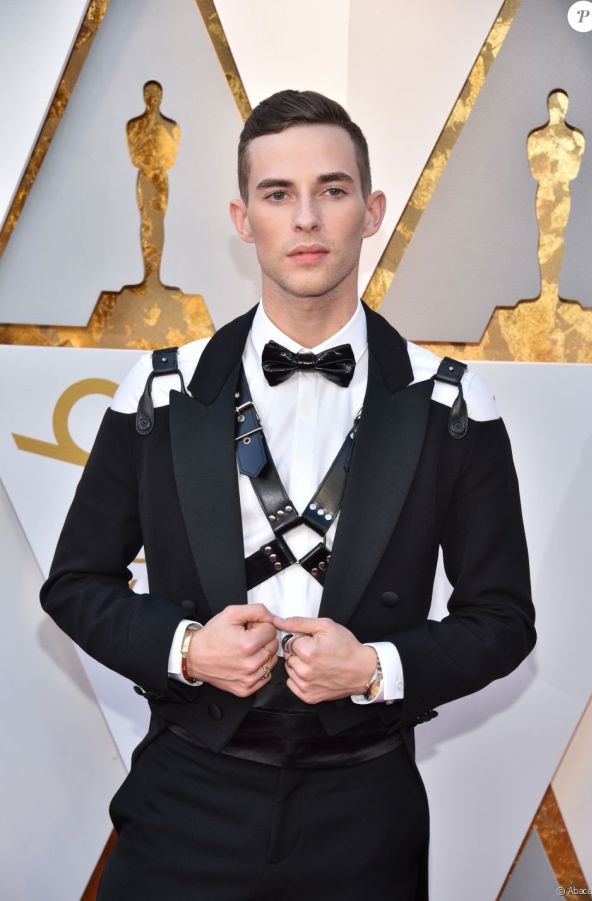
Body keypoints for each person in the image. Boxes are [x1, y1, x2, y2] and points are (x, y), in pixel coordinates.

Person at [40, 89, 536, 900]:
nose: (306, 218)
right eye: (278, 194)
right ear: (243, 219)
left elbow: (504, 619)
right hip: (184, 798)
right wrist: (186, 648)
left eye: (331, 189)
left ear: (371, 211)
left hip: (365, 811)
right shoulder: (161, 390)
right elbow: (74, 583)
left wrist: (375, 665)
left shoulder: (451, 401)